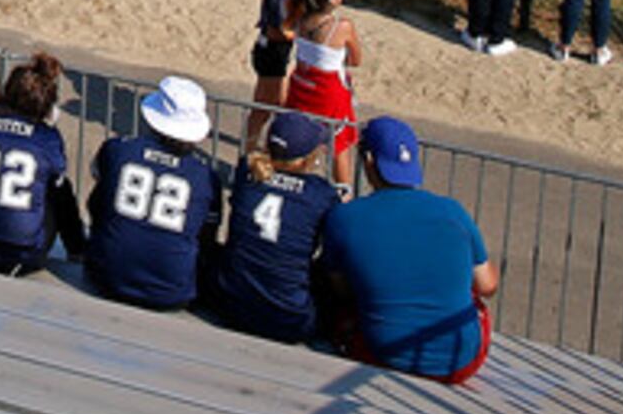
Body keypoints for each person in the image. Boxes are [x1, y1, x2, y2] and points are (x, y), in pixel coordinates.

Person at [316, 117, 497, 384]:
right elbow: (487, 286)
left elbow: (341, 289)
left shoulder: (345, 217)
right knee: (470, 297)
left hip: (382, 352)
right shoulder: (453, 211)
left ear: (368, 161)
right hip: (460, 362)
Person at [85, 75, 219, 310]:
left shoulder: (118, 149)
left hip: (106, 275)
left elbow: (95, 204)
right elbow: (206, 238)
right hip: (169, 291)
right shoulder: (205, 176)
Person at [209, 112, 343, 345]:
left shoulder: (246, 172)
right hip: (288, 321)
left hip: (230, 304)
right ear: (306, 159)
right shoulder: (321, 195)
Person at [0, 54, 82, 275]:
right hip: (19, 258)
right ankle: (77, 249)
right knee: (59, 189)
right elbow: (57, 181)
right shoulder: (48, 138)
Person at [280, 0, 361, 182]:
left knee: (299, 140)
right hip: (328, 93)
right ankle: (344, 193)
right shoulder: (342, 26)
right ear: (332, 0)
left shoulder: (300, 18)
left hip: (301, 87)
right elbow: (356, 59)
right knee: (339, 146)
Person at [248, 0, 319, 146]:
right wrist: (304, 35)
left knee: (273, 103)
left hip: (277, 53)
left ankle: (255, 144)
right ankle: (251, 147)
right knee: (265, 107)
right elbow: (278, 30)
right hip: (271, 52)